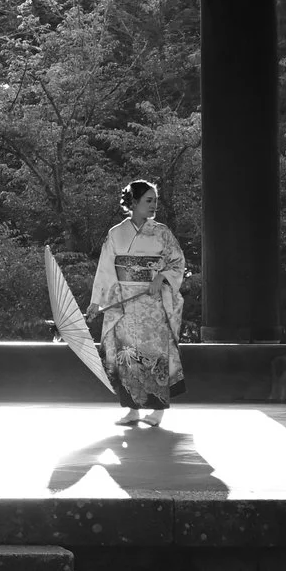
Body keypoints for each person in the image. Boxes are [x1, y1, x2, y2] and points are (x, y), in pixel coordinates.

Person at [90, 179, 186, 426]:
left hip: (152, 303)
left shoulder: (162, 232)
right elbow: (105, 270)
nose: (154, 205)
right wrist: (96, 302)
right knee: (126, 355)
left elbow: (177, 262)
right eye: (148, 200)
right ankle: (132, 409)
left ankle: (157, 411)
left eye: (155, 200)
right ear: (133, 202)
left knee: (154, 354)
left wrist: (161, 277)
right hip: (124, 302)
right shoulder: (116, 233)